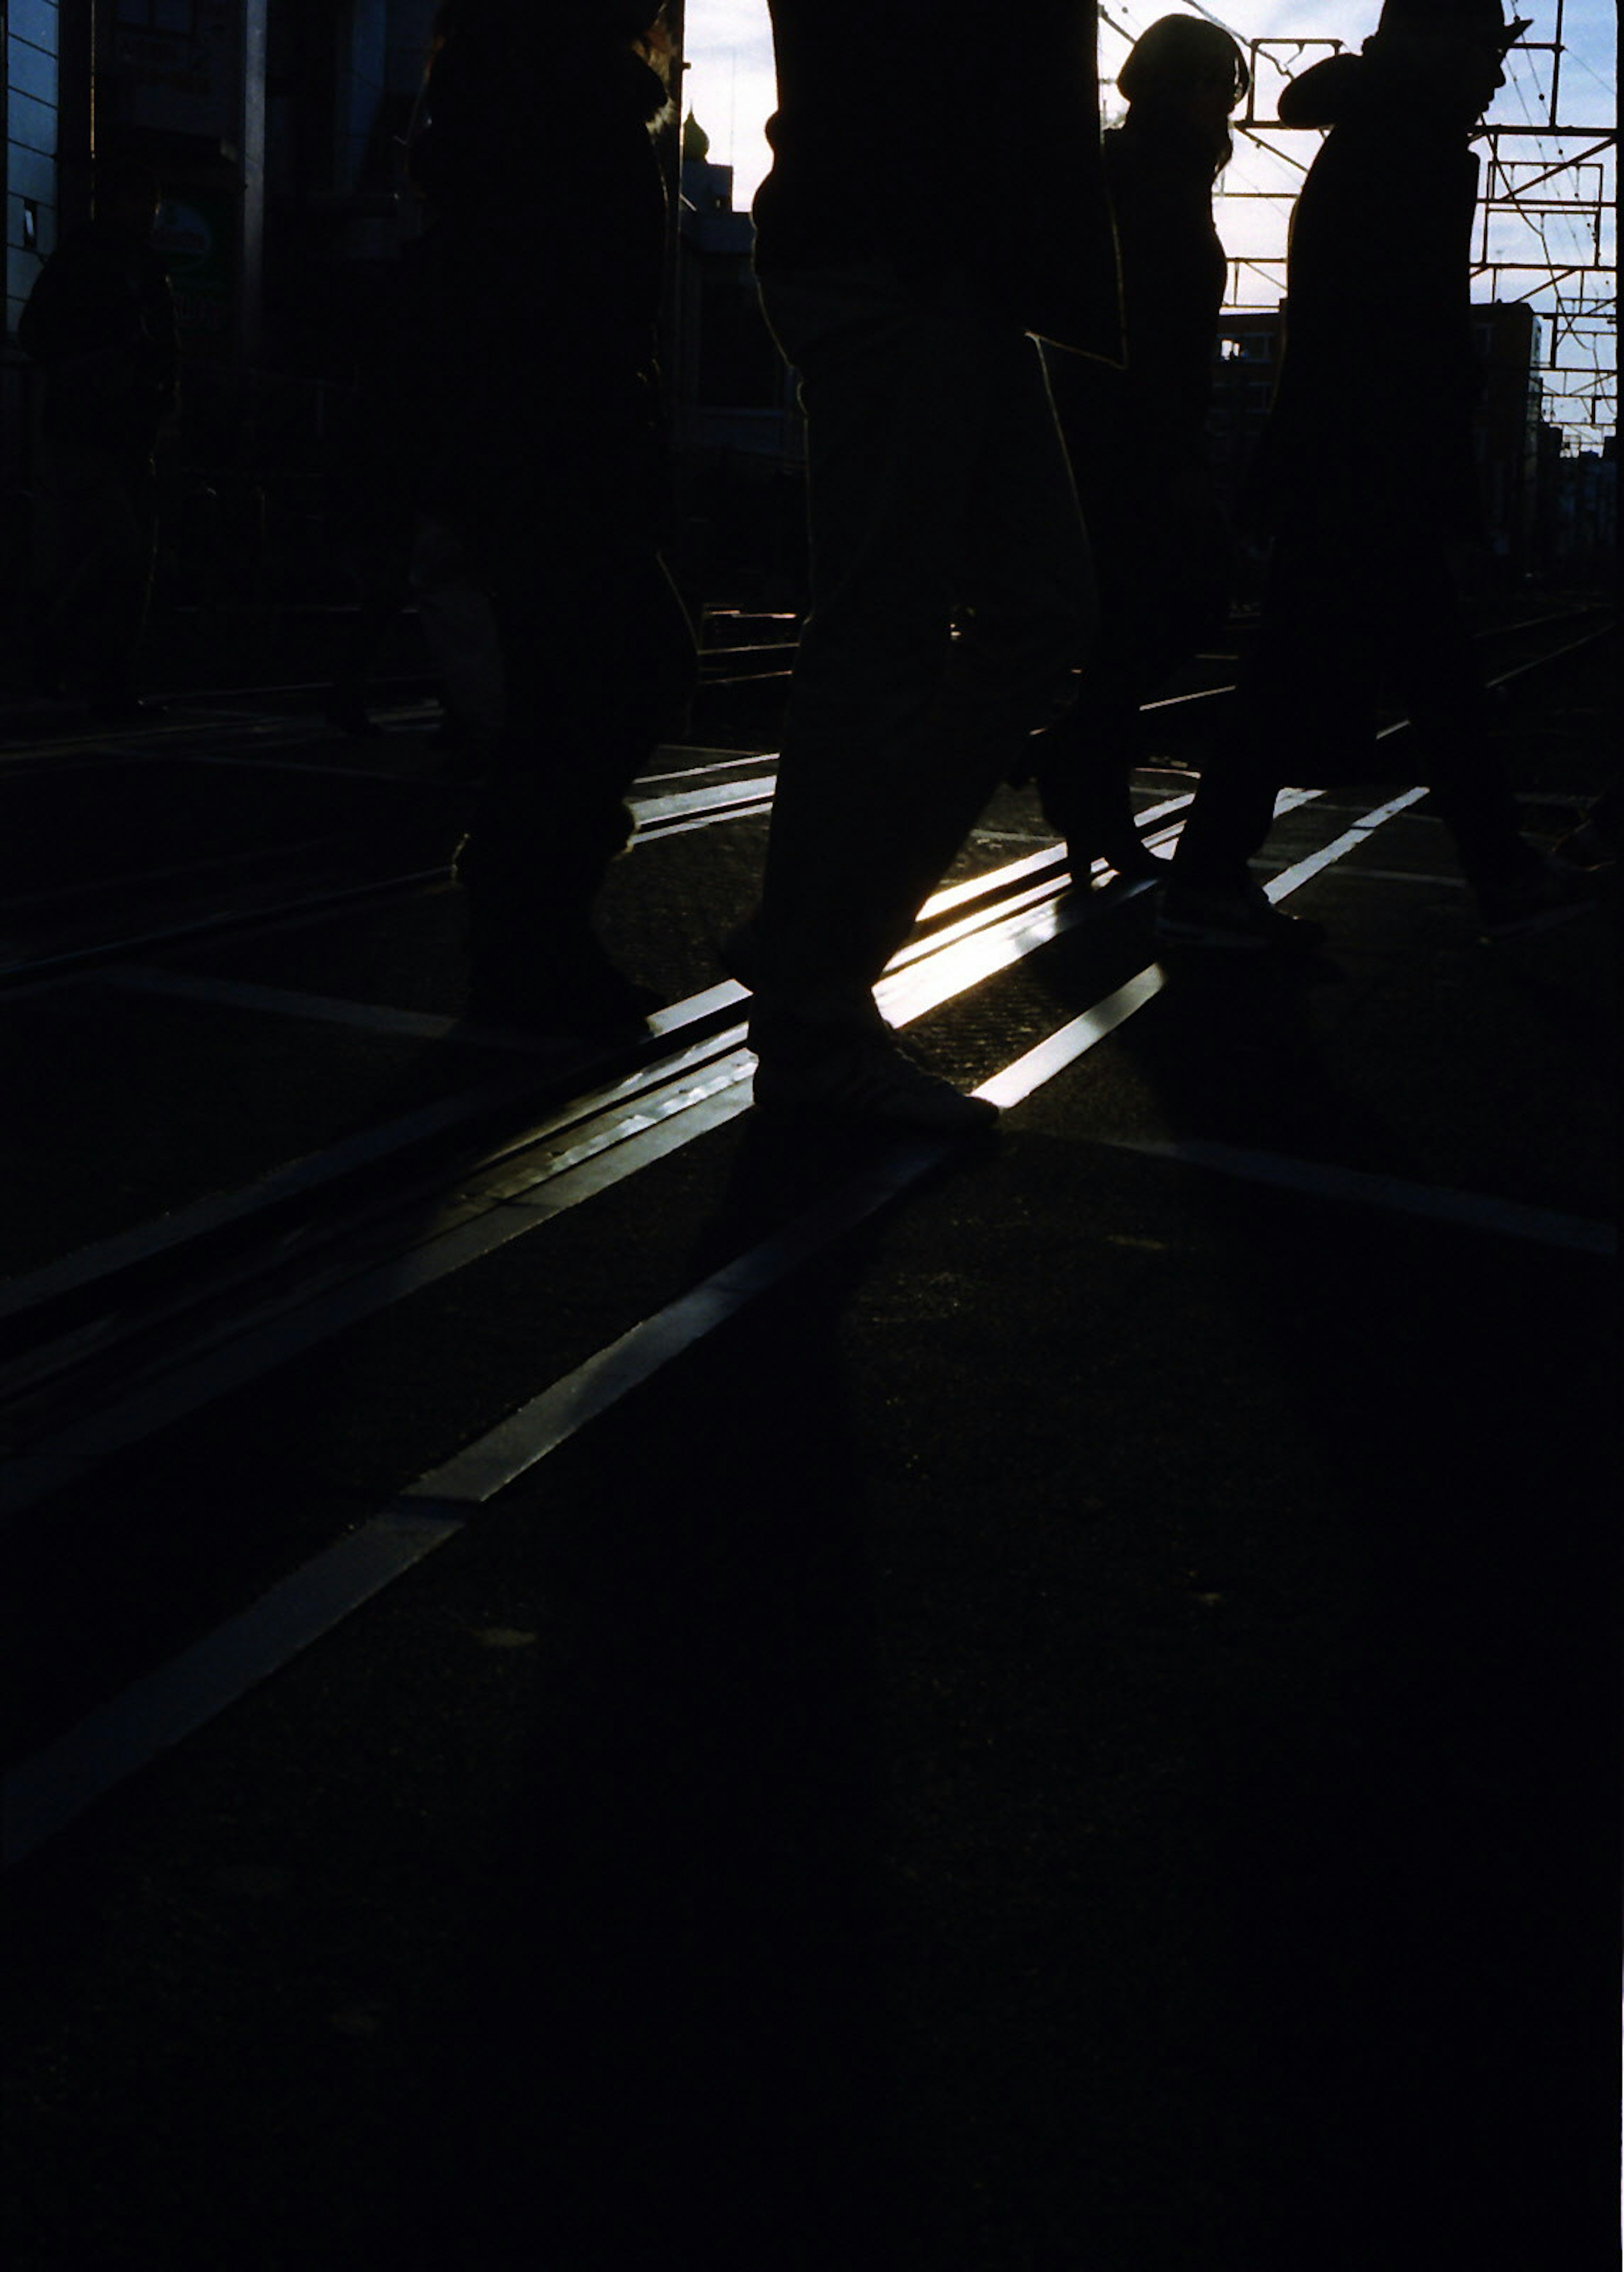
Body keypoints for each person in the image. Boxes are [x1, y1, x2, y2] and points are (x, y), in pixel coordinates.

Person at [727, 1, 1122, 1131]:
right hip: (910, 249)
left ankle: (817, 935)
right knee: (898, 630)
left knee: (1024, 611)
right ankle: (814, 1008)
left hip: (950, 256)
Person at [1157, 0, 1593, 951]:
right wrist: (1443, 419)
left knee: (1348, 669)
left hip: (1349, 454)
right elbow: (1404, 325)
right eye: (1485, 48)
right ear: (1439, 49)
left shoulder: (1384, 133)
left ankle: (1216, 880)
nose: (1494, 71)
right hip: (1372, 459)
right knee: (1414, 673)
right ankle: (1498, 871)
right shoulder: (1412, 148)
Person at [409, 0, 696, 1032]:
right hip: (559, 435)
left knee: (580, 683)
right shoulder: (567, 97)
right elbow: (573, 295)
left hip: (532, 434)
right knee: (620, 672)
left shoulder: (507, 83)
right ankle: (529, 930)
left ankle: (526, 933)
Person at [1033, 15, 1248, 886]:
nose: (1223, 108)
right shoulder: (1154, 177)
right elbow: (1159, 330)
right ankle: (1084, 769)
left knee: (1139, 618)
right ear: (1187, 87)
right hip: (1132, 438)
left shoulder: (1140, 167)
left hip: (1112, 430)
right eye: (1217, 89)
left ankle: (1090, 784)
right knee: (1169, 606)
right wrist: (1178, 449)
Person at [17, 158, 178, 718]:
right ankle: (81, 665)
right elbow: (38, 334)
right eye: (139, 200)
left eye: (149, 202)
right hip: (97, 430)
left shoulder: (129, 264)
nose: (147, 212)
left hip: (114, 429)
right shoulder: (100, 262)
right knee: (126, 554)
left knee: (124, 557)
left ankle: (87, 668)